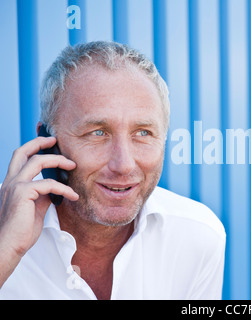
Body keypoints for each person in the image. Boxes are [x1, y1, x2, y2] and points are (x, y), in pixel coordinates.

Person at [0, 41, 226, 300]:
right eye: (97, 133)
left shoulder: (198, 235)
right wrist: (7, 251)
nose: (124, 165)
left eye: (143, 133)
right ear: (47, 141)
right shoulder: (3, 234)